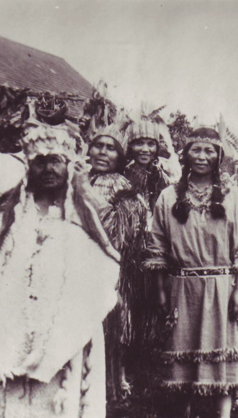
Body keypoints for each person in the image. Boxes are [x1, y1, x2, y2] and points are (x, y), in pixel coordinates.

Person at [0, 116, 120, 418]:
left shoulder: (81, 216)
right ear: (28, 168)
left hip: (59, 315)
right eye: (40, 162)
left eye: (55, 161)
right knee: (8, 360)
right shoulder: (10, 214)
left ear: (69, 166)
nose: (48, 169)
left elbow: (103, 264)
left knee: (55, 371)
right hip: (12, 313)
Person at [146, 126, 238, 418]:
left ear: (220, 156)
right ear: (185, 154)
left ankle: (223, 417)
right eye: (196, 150)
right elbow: (157, 243)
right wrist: (161, 289)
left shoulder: (234, 197)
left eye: (210, 151)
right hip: (184, 284)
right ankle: (188, 412)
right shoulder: (168, 196)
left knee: (222, 344)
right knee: (185, 341)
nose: (202, 157)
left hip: (222, 284)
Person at [82, 103, 148, 401]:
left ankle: (116, 379)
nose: (102, 153)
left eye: (110, 148)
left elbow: (127, 227)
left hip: (112, 264)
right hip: (77, 260)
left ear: (120, 156)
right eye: (98, 146)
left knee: (114, 323)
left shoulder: (123, 186)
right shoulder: (79, 178)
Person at [124, 105, 180, 211]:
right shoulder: (123, 175)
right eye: (139, 143)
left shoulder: (159, 175)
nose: (145, 149)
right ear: (130, 147)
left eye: (150, 144)